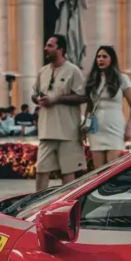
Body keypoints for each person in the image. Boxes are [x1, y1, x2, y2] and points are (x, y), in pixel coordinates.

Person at [32, 34, 86, 192]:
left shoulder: (73, 71)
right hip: (46, 131)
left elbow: (82, 97)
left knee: (68, 172)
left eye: (50, 46)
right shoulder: (43, 71)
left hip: (68, 132)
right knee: (41, 169)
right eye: (46, 45)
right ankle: (37, 202)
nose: (45, 48)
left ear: (60, 49)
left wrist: (56, 99)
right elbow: (34, 93)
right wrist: (37, 99)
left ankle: (66, 203)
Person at [85, 46, 131, 168]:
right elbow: (89, 108)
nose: (101, 59)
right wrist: (86, 126)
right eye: (98, 57)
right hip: (96, 129)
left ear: (111, 59)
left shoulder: (122, 78)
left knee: (112, 168)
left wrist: (129, 127)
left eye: (104, 56)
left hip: (115, 127)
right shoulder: (93, 79)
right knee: (98, 170)